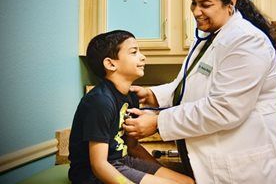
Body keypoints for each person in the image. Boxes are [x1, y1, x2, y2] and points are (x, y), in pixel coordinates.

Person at [124, 0, 276, 184]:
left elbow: (224, 108)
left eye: (205, 4)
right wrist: (150, 94)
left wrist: (159, 122)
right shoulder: (209, 37)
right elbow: (189, 86)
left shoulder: (247, 42)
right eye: (193, 3)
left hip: (249, 168)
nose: (196, 11)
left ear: (231, 3)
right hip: (214, 161)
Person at [68, 30, 194, 184]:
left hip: (124, 161)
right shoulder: (99, 101)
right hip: (92, 175)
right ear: (110, 64)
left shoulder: (131, 96)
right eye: (134, 52)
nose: (142, 57)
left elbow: (133, 147)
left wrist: (158, 171)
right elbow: (99, 165)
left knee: (188, 182)